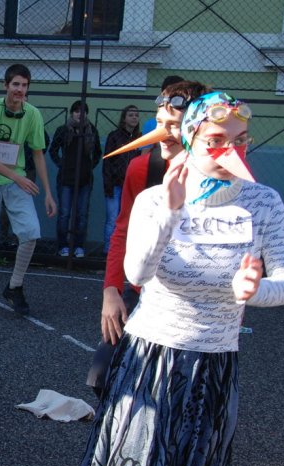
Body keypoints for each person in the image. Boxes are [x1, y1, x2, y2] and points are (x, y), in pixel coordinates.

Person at [53, 91, 284, 466]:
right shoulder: (155, 197)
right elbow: (137, 272)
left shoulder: (263, 203)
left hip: (213, 363)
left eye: (241, 140)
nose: (231, 151)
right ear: (189, 139)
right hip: (151, 354)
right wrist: (168, 210)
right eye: (217, 140)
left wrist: (255, 290)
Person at [88, 81, 208, 398]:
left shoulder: (222, 177)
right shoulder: (142, 168)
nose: (162, 133)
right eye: (158, 123)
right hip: (144, 289)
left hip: (194, 304)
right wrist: (111, 291)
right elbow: (122, 231)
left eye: (174, 125)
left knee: (177, 391)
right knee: (102, 374)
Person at [0, 63, 55, 315]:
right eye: (15, 84)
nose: (20, 89)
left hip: (16, 179)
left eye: (24, 85)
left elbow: (38, 154)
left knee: (31, 231)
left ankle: (14, 286)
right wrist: (17, 178)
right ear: (5, 85)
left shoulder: (32, 114)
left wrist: (48, 193)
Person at [49, 100, 100, 258]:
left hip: (85, 179)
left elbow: (98, 152)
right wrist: (61, 164)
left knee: (82, 214)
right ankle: (63, 246)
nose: (80, 114)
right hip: (66, 178)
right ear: (72, 113)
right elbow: (53, 150)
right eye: (77, 111)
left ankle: (78, 246)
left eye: (83, 111)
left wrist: (89, 166)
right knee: (64, 213)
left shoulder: (92, 131)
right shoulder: (63, 130)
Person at [100, 105, 141, 254]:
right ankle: (108, 251)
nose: (134, 118)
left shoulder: (140, 138)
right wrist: (108, 185)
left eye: (136, 115)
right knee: (112, 219)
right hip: (115, 184)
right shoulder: (114, 136)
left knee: (129, 220)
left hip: (131, 186)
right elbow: (107, 162)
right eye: (131, 115)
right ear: (124, 118)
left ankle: (124, 252)